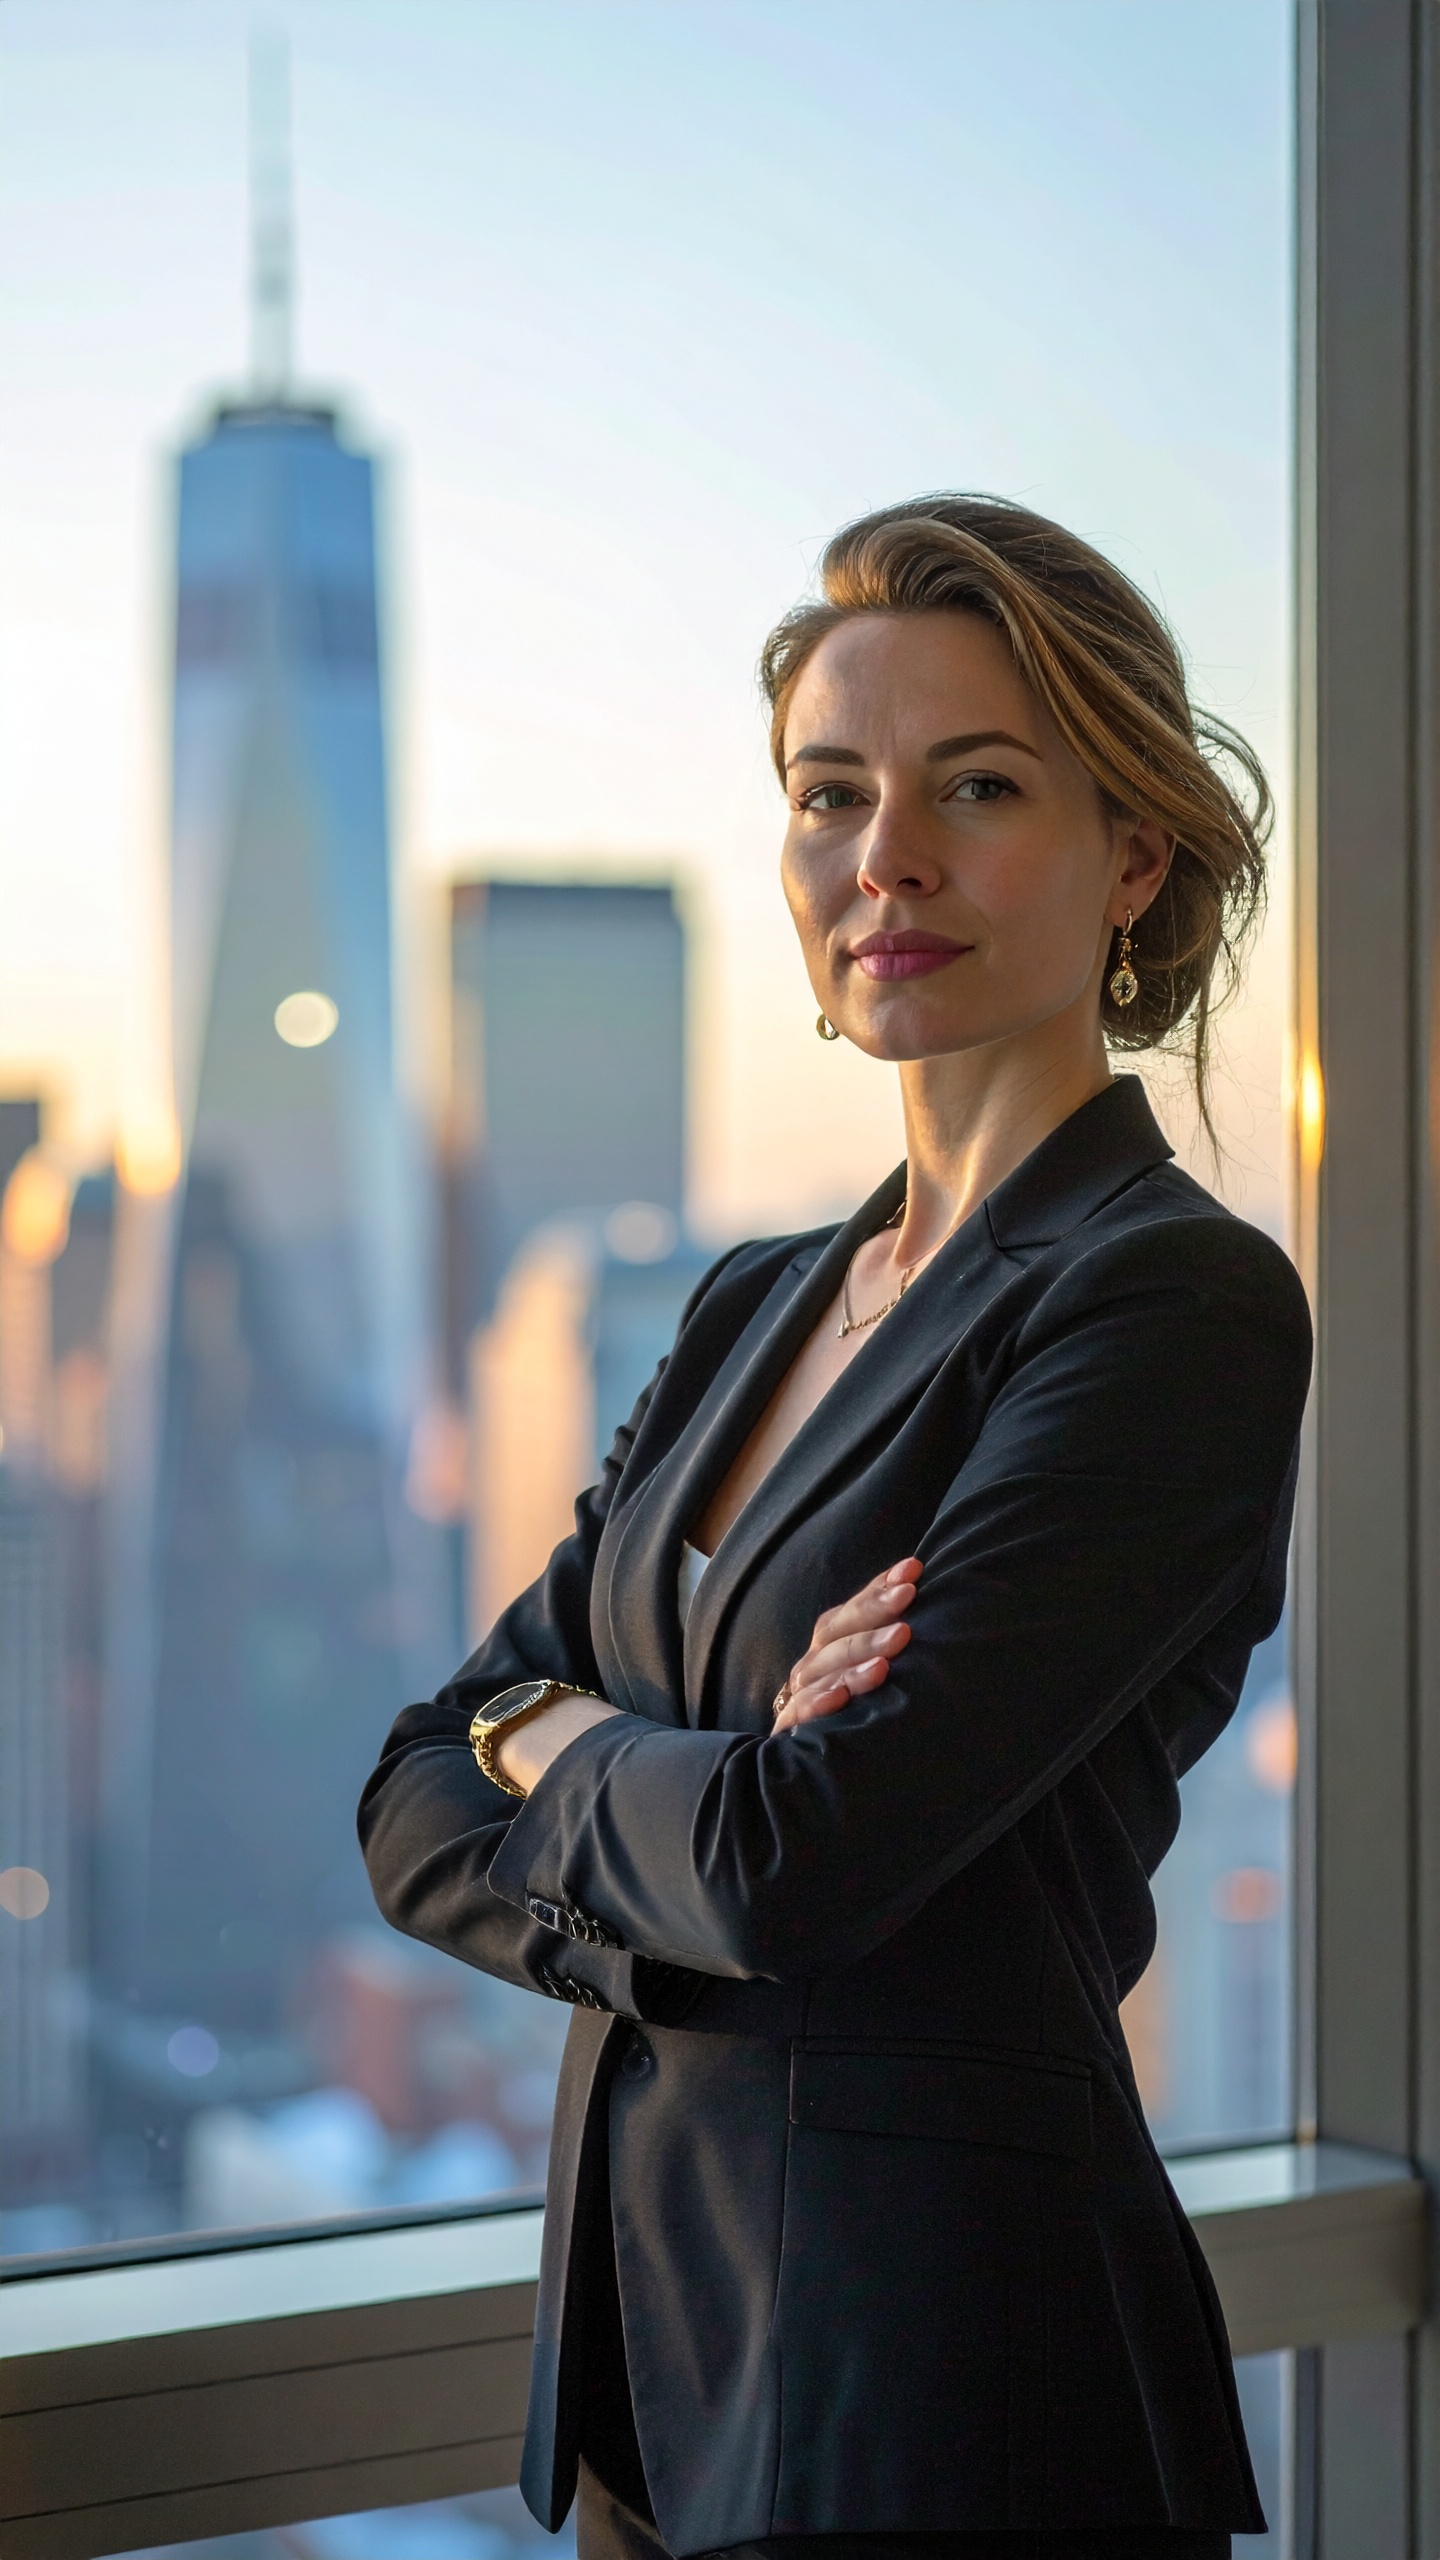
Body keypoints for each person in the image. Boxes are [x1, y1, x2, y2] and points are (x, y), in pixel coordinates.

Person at [360, 495, 1313, 2560]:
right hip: (646, 2386)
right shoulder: (748, 1305)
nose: (885, 856)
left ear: (1132, 856)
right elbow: (411, 1786)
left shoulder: (1172, 1300)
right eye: (830, 794)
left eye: (978, 786)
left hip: (939, 2403)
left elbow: (794, 1862)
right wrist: (649, 1794)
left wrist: (565, 1741)